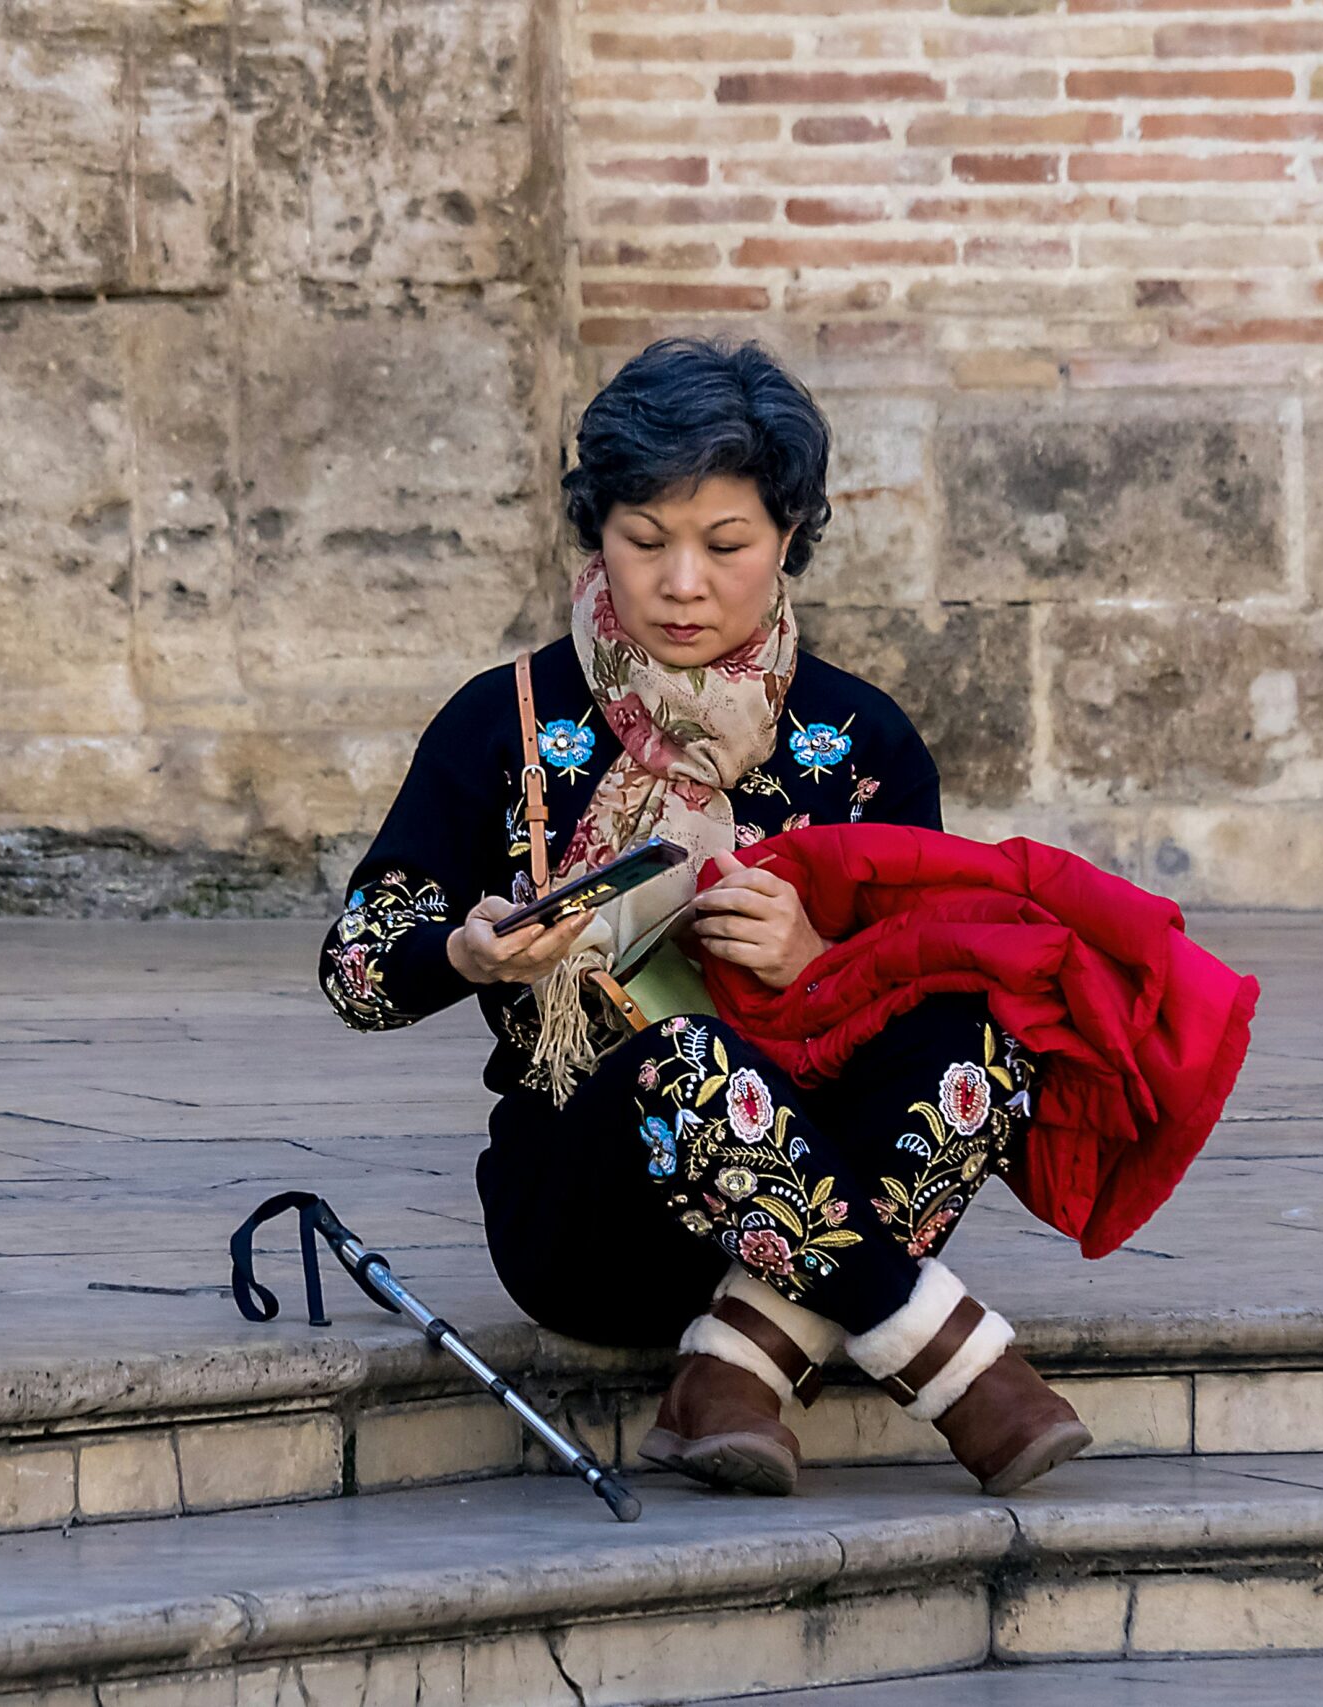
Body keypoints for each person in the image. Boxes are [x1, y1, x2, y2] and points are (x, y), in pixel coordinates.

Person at [316, 337, 1091, 1499]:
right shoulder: (506, 723)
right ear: (599, 533)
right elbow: (357, 969)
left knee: (994, 1037)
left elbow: (933, 982)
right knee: (681, 1054)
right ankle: (962, 1371)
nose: (682, 583)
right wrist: (468, 954)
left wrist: (821, 957)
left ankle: (733, 1371)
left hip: (823, 1185)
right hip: (597, 1211)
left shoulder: (861, 742)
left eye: (724, 546)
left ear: (787, 537)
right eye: (645, 542)